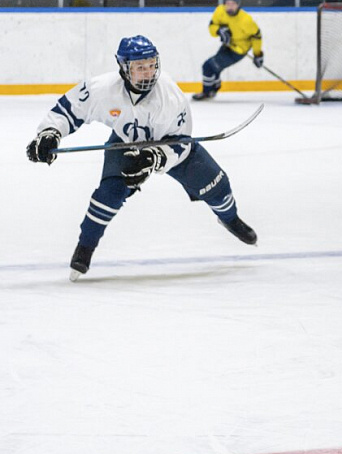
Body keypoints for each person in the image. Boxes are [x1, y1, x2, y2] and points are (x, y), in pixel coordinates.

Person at [25, 35, 258, 281]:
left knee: (218, 186)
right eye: (139, 67)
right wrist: (50, 133)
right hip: (125, 143)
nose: (148, 73)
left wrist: (155, 158)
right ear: (124, 68)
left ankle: (231, 219)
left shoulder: (170, 96)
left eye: (151, 65)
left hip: (169, 146)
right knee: (109, 195)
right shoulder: (101, 89)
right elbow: (68, 110)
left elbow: (180, 142)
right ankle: (85, 247)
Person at [194, 0, 264, 101]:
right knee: (214, 68)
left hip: (238, 50)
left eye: (233, 4)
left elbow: (257, 36)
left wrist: (258, 54)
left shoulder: (246, 20)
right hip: (227, 45)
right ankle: (214, 88)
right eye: (227, 3)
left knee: (207, 66)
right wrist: (219, 31)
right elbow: (212, 27)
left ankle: (207, 92)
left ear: (238, 4)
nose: (230, 6)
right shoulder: (220, 11)